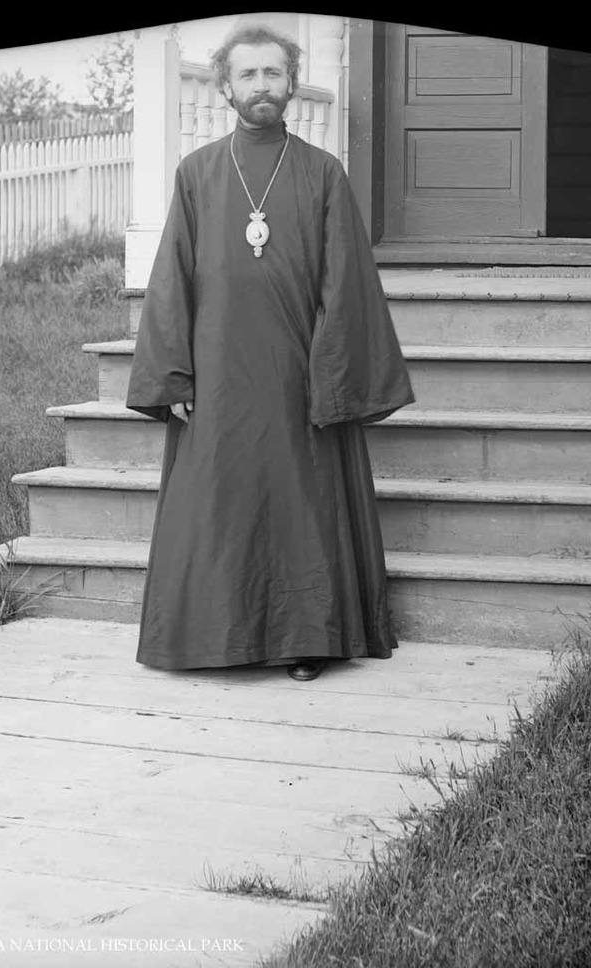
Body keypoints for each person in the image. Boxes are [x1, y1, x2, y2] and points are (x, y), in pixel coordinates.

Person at [125, 23, 414, 681]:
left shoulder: (321, 172)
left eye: (272, 74)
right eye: (248, 74)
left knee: (298, 500)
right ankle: (211, 637)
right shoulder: (197, 174)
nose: (261, 86)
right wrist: (173, 373)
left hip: (295, 364)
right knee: (220, 499)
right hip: (218, 368)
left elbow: (346, 283)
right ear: (225, 86)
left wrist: (332, 374)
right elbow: (171, 277)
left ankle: (303, 638)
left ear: (291, 84)